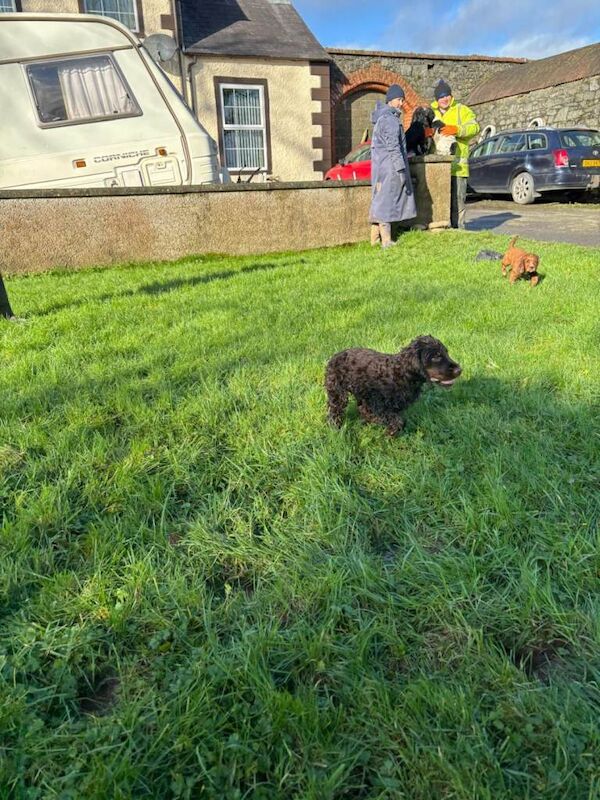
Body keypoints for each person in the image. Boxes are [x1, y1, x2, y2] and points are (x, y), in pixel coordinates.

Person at [369, 84, 416, 249]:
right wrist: (401, 170)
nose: (401, 103)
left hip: (381, 168)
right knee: (386, 203)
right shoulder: (390, 120)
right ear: (390, 100)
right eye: (398, 100)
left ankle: (374, 240)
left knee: (379, 202)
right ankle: (386, 241)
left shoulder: (382, 118)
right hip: (390, 169)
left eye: (402, 100)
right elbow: (394, 148)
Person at [431, 79, 480, 229]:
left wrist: (457, 130)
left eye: (446, 95)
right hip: (438, 166)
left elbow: (475, 127)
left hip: (458, 167)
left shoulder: (461, 110)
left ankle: (459, 230)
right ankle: (444, 229)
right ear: (436, 99)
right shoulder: (431, 112)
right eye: (441, 97)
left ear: (451, 96)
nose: (444, 99)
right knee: (440, 201)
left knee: (458, 202)